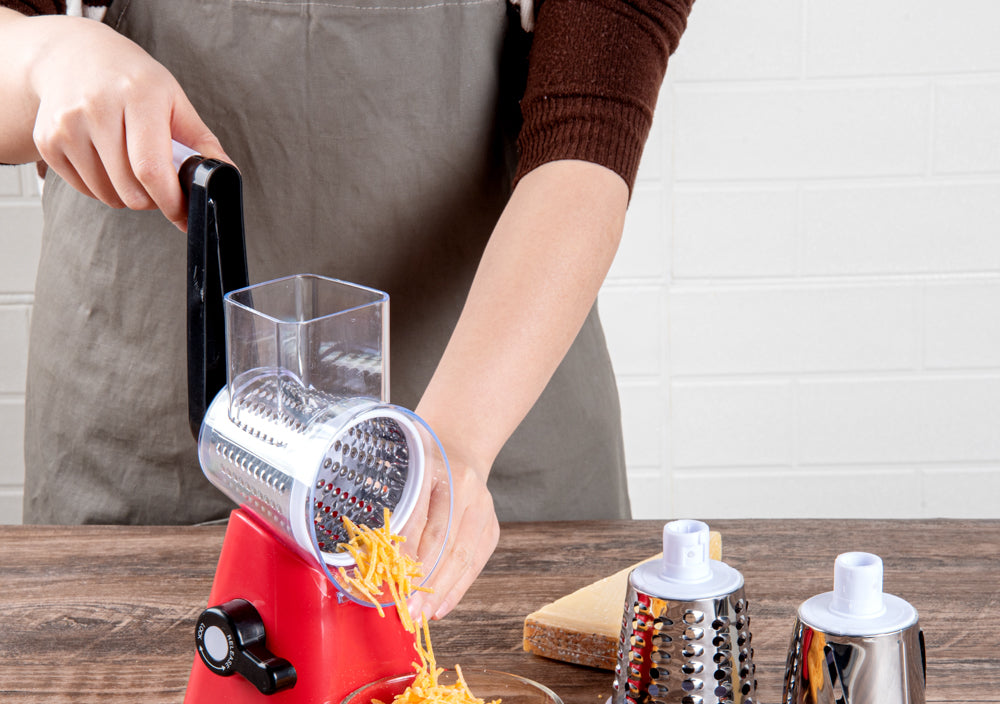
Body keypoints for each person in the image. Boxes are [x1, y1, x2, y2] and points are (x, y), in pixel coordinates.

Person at [0, 0, 693, 618]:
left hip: (488, 410)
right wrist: (45, 58)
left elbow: (589, 136)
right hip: (145, 442)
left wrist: (455, 447)